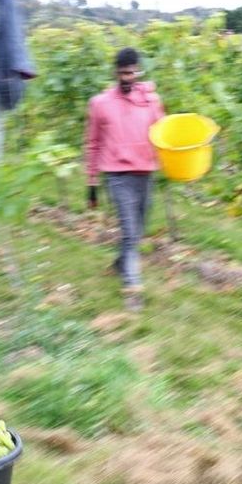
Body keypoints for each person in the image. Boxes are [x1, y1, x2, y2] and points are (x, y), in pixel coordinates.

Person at [84, 47, 165, 312]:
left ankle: (121, 264)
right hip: (117, 176)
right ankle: (133, 287)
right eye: (123, 73)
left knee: (138, 231)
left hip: (146, 173)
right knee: (130, 233)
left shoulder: (151, 101)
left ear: (138, 71)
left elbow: (163, 133)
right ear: (116, 73)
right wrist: (92, 182)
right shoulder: (101, 103)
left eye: (132, 72)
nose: (128, 77)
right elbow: (93, 143)